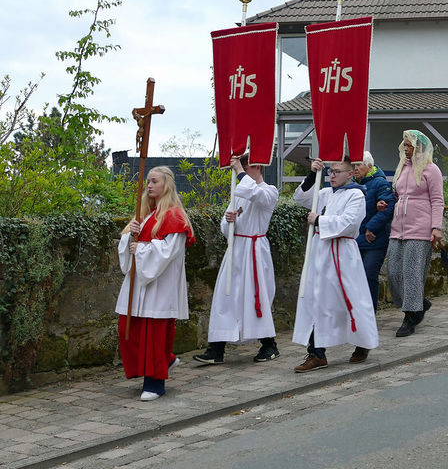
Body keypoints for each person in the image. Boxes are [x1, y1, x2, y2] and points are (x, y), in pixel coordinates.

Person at [116, 166, 195, 401]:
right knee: (127, 328)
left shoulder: (174, 216)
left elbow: (169, 251)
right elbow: (127, 243)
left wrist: (141, 249)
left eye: (154, 181)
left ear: (166, 185)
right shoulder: (145, 214)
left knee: (154, 332)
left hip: (160, 284)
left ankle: (155, 381)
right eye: (148, 182)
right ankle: (166, 360)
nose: (149, 185)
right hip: (138, 281)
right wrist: (131, 236)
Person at [292, 158, 380, 371]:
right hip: (321, 253)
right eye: (331, 171)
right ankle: (316, 353)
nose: (332, 175)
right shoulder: (324, 194)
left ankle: (363, 342)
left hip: (343, 254)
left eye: (338, 172)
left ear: (350, 174)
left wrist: (320, 220)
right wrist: (313, 173)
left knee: (352, 300)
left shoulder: (356, 194)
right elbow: (300, 197)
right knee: (316, 299)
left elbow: (349, 222)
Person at [194, 155, 280, 366]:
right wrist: (229, 221)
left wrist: (240, 171)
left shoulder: (269, 191)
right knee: (225, 296)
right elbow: (226, 228)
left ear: (257, 167)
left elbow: (256, 195)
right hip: (236, 250)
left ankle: (269, 344)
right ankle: (216, 348)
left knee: (254, 298)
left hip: (255, 251)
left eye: (244, 167)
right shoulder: (239, 193)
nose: (239, 173)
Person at [388, 130, 444, 335]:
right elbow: (398, 195)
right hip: (398, 229)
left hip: (420, 229)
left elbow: (437, 200)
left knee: (411, 275)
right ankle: (418, 302)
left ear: (419, 147)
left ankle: (410, 317)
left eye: (409, 145)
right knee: (393, 273)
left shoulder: (431, 170)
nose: (406, 149)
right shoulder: (402, 168)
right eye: (404, 145)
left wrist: (436, 227)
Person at [353, 151, 395, 311]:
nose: (356, 168)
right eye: (354, 165)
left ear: (370, 166)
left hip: (374, 240)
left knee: (369, 274)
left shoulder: (379, 183)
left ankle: (369, 311)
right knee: (355, 277)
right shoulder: (352, 183)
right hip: (356, 239)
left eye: (359, 165)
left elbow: (388, 207)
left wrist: (371, 227)